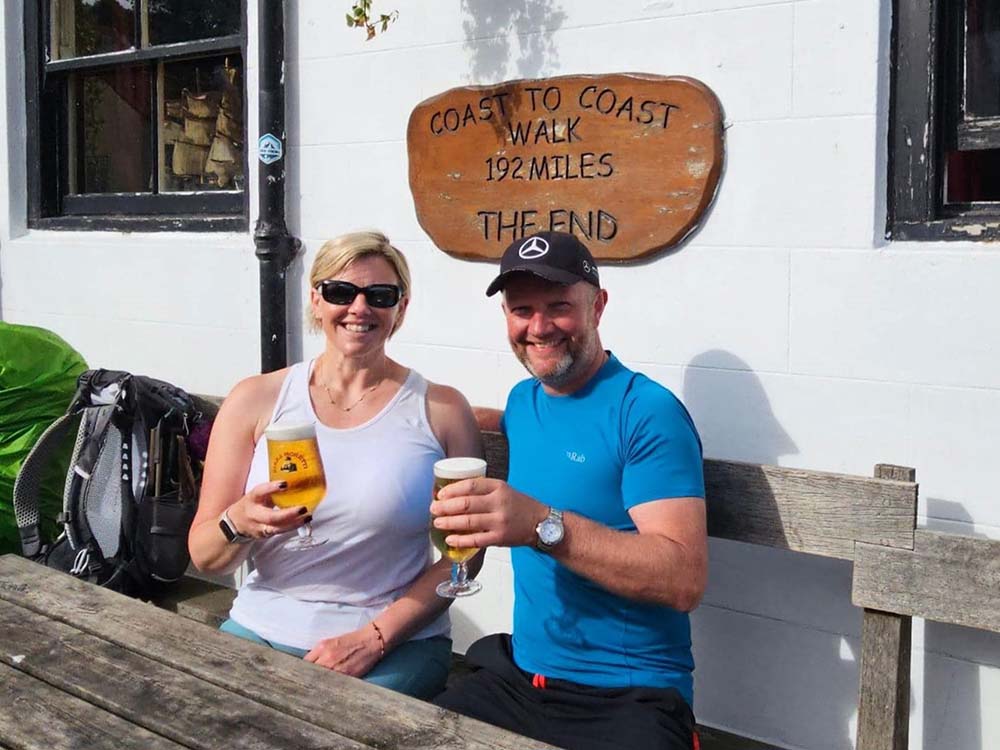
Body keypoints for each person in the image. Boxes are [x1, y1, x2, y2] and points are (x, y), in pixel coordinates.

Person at [431, 231, 707, 749]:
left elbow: (683, 580)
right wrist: (419, 415)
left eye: (559, 306)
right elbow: (534, 433)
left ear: (597, 307)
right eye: (522, 310)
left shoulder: (647, 412)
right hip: (519, 681)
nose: (539, 327)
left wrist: (541, 526)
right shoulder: (524, 400)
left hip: (627, 696)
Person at [188, 230, 482, 700]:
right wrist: (238, 522)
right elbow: (204, 554)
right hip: (262, 628)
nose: (359, 308)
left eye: (380, 295)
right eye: (341, 292)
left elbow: (465, 553)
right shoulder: (256, 399)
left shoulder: (440, 409)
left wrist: (375, 638)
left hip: (392, 644)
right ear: (316, 300)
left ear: (401, 308)